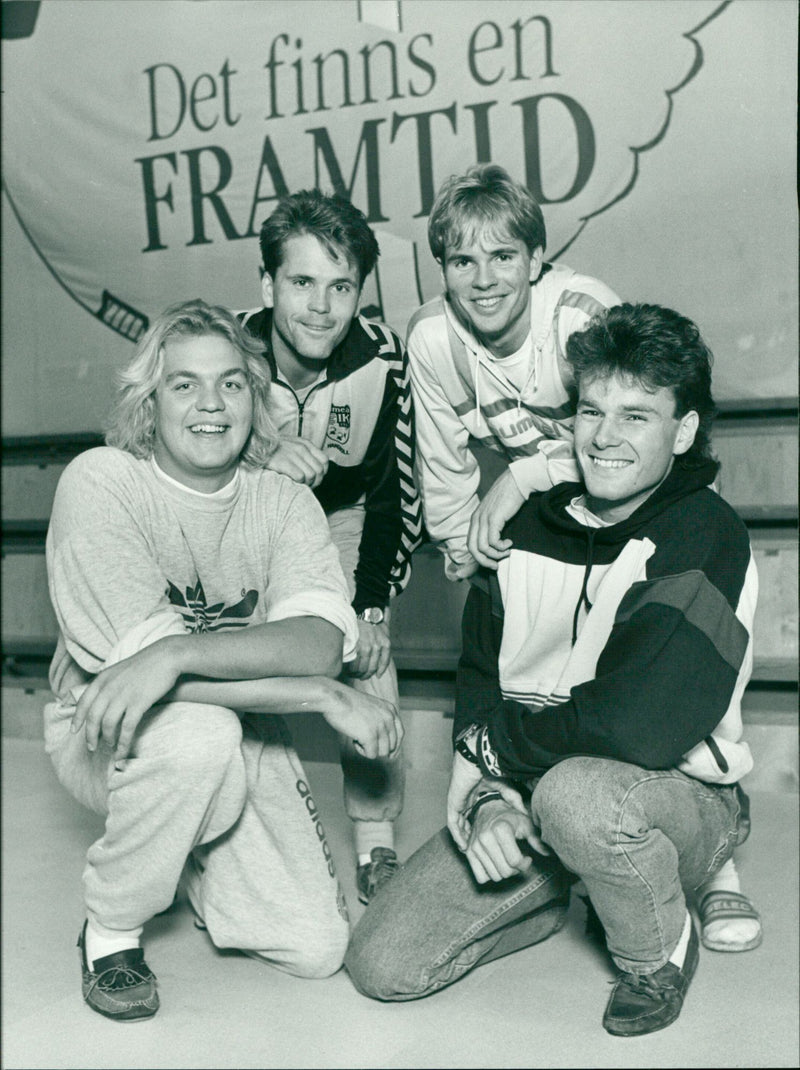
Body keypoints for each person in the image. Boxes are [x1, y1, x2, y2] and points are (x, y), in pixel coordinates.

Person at [346, 303, 761, 1037]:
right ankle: (564, 893)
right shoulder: (524, 525)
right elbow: (478, 674)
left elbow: (642, 726)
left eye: (637, 416)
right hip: (531, 783)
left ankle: (657, 951)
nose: (604, 436)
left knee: (580, 797)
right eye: (592, 410)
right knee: (384, 964)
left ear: (685, 431)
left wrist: (496, 749)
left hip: (677, 800)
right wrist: (486, 801)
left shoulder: (704, 531)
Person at [44, 299, 403, 1022]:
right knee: (195, 739)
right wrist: (322, 698)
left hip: (243, 724)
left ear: (256, 397)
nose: (211, 404)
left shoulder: (284, 502)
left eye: (231, 384)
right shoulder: (103, 479)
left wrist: (177, 653)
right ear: (151, 400)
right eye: (184, 385)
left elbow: (319, 642)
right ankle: (112, 931)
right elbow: (140, 683)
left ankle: (188, 856)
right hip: (112, 731)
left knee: (316, 946)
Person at [238, 190, 422, 903]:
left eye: (340, 286)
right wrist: (258, 450)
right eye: (302, 282)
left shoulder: (383, 358)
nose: (321, 306)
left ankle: (376, 846)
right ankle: (225, 842)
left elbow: (393, 492)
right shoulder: (226, 347)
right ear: (268, 285)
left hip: (338, 518)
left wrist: (371, 605)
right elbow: (166, 465)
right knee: (230, 662)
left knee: (366, 658)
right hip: (245, 517)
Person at [406, 162, 620, 580]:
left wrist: (524, 476)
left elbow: (629, 446)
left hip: (648, 498)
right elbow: (443, 467)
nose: (483, 281)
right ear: (443, 270)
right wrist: (464, 551)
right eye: (463, 262)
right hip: (560, 505)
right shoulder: (431, 337)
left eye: (502, 257)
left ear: (535, 260)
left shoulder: (584, 317)